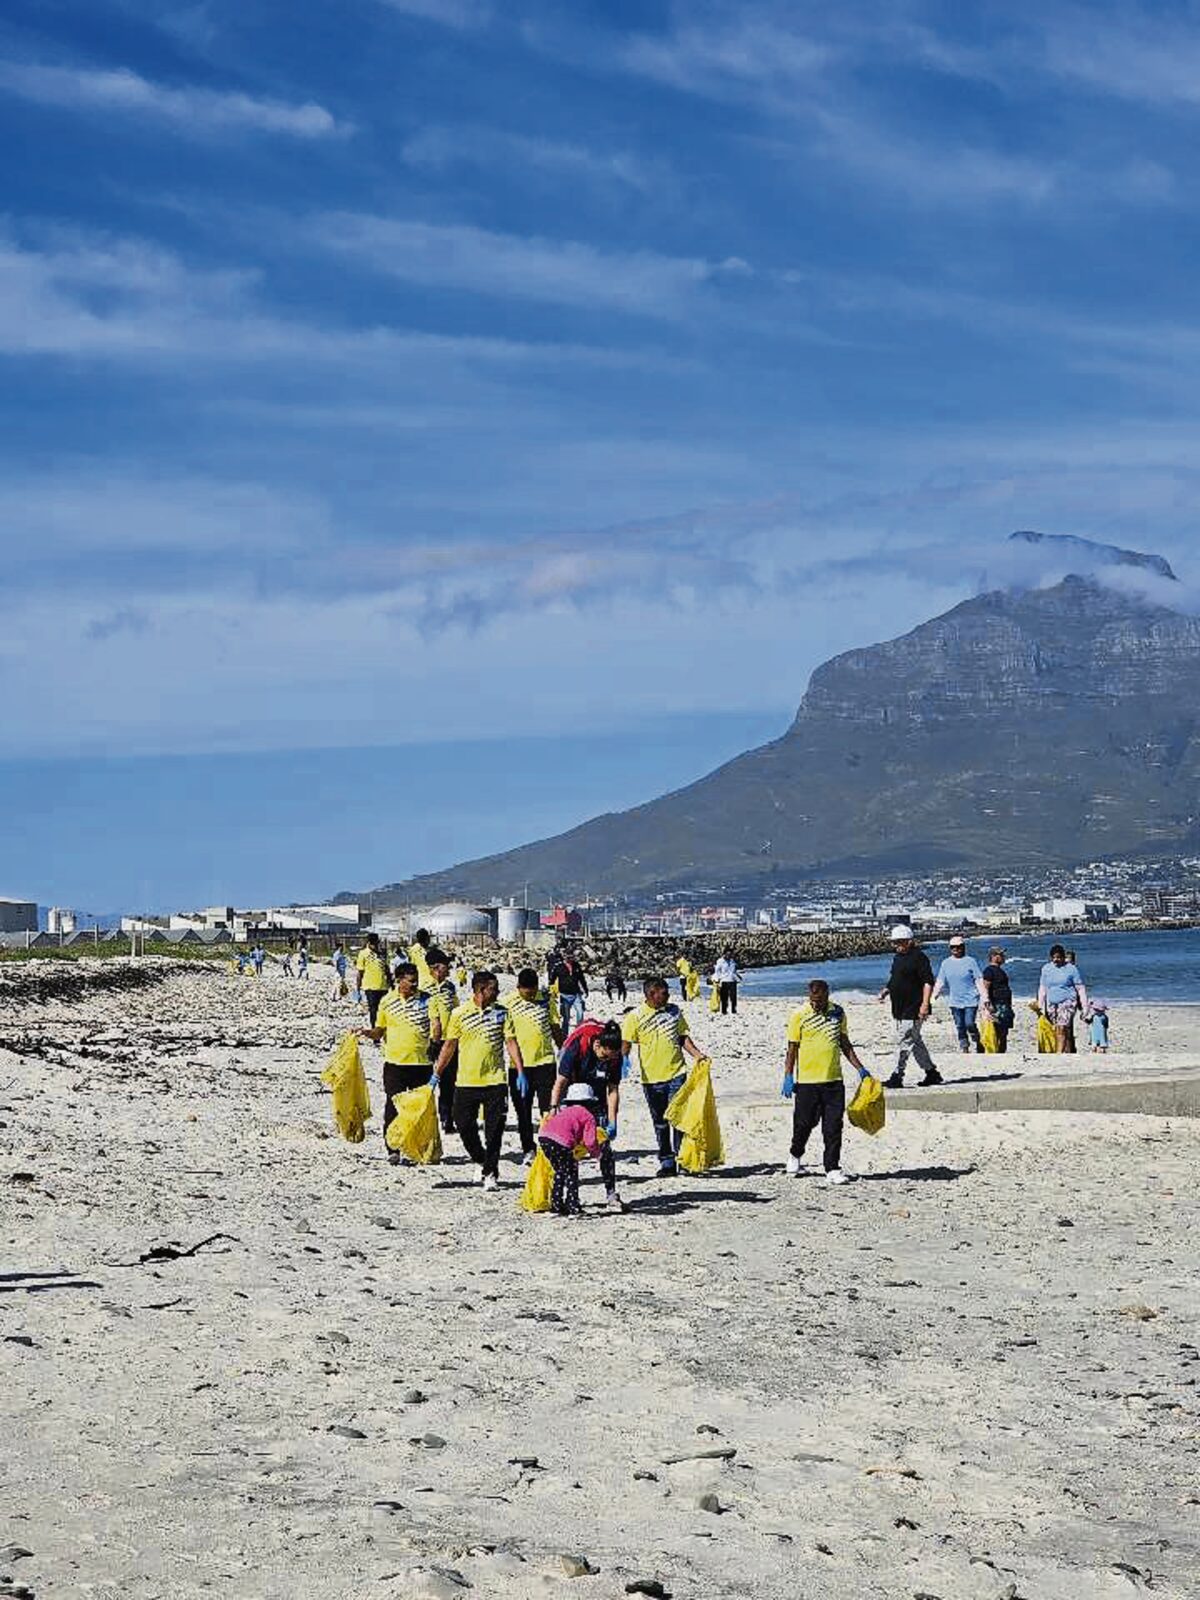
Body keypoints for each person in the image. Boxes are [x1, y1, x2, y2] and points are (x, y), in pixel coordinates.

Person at [431, 970, 524, 1190]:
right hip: (466, 1082)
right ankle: (481, 1160)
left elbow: (510, 1042)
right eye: (494, 988)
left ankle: (490, 1173)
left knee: (494, 1131)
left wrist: (520, 1070)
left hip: (495, 1081)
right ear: (480, 990)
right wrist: (437, 1073)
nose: (498, 992)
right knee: (463, 1125)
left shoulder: (502, 1012)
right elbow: (450, 1045)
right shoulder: (459, 1014)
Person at [781, 978, 869, 1185]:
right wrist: (788, 1075)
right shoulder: (799, 1015)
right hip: (807, 1082)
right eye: (813, 1000)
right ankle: (795, 1155)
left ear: (828, 995)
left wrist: (860, 1068)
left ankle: (832, 1168)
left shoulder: (838, 1013)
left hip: (833, 1081)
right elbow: (792, 1048)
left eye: (820, 1001)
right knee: (803, 1124)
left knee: (833, 1127)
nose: (816, 1004)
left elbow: (844, 1043)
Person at [357, 961, 442, 1164]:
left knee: (418, 1109)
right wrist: (366, 1033)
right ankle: (393, 1149)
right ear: (399, 981)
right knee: (393, 1105)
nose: (415, 985)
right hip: (395, 1063)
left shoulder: (428, 1000)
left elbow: (436, 1024)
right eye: (411, 982)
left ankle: (416, 1147)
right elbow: (379, 1030)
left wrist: (435, 1042)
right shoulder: (387, 1001)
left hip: (421, 1064)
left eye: (416, 981)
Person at [621, 977, 705, 1177]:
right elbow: (626, 1042)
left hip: (677, 1073)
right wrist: (621, 1063)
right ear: (651, 994)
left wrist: (697, 1055)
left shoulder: (674, 1011)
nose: (668, 996)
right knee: (660, 1122)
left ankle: (683, 1160)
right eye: (664, 993)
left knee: (678, 1119)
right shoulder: (635, 1016)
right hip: (651, 1079)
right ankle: (667, 1162)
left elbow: (682, 1037)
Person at [552, 1018, 625, 1210]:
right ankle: (570, 1197)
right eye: (604, 1056)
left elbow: (613, 1089)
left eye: (611, 1058)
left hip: (597, 1103)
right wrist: (553, 1108)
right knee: (570, 1154)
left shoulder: (616, 1057)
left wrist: (612, 1120)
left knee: (604, 1149)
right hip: (573, 1102)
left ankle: (611, 1193)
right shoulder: (578, 1048)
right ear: (598, 1044)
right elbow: (560, 1081)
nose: (606, 1060)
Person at [502, 967, 564, 1166]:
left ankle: (550, 1147)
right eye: (525, 992)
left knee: (549, 1110)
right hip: (518, 1068)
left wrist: (565, 1051)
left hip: (545, 1064)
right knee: (523, 1112)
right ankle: (528, 1148)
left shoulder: (546, 1000)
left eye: (532, 991)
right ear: (518, 987)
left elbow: (555, 1027)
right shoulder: (507, 1003)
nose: (529, 995)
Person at [879, 925, 941, 1088]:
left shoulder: (919, 958)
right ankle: (931, 1073)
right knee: (915, 1042)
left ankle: (897, 1075)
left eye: (898, 942)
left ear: (908, 941)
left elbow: (928, 982)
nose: (895, 945)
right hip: (899, 1007)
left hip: (914, 1007)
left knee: (905, 1041)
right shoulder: (897, 958)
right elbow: (895, 978)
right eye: (894, 942)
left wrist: (925, 1004)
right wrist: (886, 990)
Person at [537, 1083, 607, 1217]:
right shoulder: (588, 1116)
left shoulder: (565, 1111)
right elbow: (590, 1141)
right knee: (571, 1172)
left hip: (544, 1138)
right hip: (561, 1142)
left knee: (559, 1171)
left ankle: (556, 1206)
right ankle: (573, 1207)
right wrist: (596, 1154)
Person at [422, 947, 461, 1134]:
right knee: (425, 1081)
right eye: (447, 965)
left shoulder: (449, 987)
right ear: (436, 968)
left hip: (449, 1042)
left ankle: (448, 1118)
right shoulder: (422, 987)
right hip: (427, 1042)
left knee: (449, 1081)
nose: (450, 968)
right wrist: (432, 1041)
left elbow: (456, 1012)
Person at [932, 935, 987, 1053]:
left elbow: (978, 979)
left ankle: (977, 1040)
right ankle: (965, 1047)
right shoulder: (945, 963)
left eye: (958, 947)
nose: (956, 949)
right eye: (953, 947)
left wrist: (985, 997)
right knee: (960, 1026)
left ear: (963, 947)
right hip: (954, 1001)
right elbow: (940, 981)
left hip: (971, 999)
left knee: (969, 1023)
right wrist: (933, 996)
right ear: (950, 948)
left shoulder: (971, 961)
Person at [1038, 945, 1089, 1054]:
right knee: (1058, 1029)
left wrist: (1085, 1007)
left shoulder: (1071, 969)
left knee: (1062, 1027)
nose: (1056, 960)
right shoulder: (1046, 968)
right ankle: (1067, 1051)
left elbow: (1080, 988)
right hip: (1052, 1003)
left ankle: (1059, 1053)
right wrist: (1041, 1005)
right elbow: (1043, 987)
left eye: (1058, 957)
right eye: (1053, 957)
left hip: (1068, 1001)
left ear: (1063, 957)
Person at [549, 946, 589, 1034]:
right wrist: (552, 993)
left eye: (571, 956)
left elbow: (582, 979)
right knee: (566, 1018)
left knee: (580, 1013)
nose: (569, 958)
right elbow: (551, 980)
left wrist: (586, 990)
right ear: (564, 956)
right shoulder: (558, 967)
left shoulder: (576, 965)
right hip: (564, 995)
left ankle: (579, 1031)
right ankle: (564, 1034)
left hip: (576, 994)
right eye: (567, 956)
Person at [980, 946, 1014, 1052]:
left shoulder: (999, 970)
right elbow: (985, 988)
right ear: (993, 956)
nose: (1003, 957)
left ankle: (1001, 1052)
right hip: (997, 1005)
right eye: (1001, 955)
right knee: (998, 1031)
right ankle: (997, 1052)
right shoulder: (989, 971)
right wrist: (988, 1005)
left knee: (1003, 1032)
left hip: (1004, 1005)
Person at [355, 933, 390, 1027]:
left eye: (377, 943)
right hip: (370, 987)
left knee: (384, 1010)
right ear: (369, 943)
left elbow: (386, 969)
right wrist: (358, 989)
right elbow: (360, 973)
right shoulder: (363, 954)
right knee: (373, 1010)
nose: (375, 946)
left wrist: (391, 983)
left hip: (383, 986)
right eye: (373, 944)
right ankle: (375, 1034)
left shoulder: (382, 954)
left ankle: (383, 1030)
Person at [712, 947, 740, 1015]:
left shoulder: (732, 961)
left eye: (730, 954)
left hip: (733, 980)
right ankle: (724, 1011)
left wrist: (738, 976)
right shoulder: (720, 961)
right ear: (724, 954)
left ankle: (734, 1010)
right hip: (724, 981)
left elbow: (733, 971)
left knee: (733, 997)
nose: (729, 956)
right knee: (724, 997)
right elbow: (717, 971)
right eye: (727, 954)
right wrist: (717, 979)